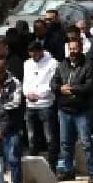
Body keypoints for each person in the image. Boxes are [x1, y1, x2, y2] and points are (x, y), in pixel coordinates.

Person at [52, 36, 93, 183]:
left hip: (81, 110)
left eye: (75, 49)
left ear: (80, 48)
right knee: (65, 143)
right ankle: (68, 170)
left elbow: (90, 85)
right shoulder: (62, 65)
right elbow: (53, 82)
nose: (73, 52)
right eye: (70, 49)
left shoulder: (88, 65)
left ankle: (92, 173)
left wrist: (72, 89)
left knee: (86, 142)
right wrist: (60, 88)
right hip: (65, 110)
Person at [22, 41, 59, 169]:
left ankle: (52, 166)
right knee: (31, 138)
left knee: (49, 137)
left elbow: (52, 83)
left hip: (46, 104)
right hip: (30, 105)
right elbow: (25, 82)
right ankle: (34, 167)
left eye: (35, 53)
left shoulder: (52, 63)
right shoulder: (27, 63)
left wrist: (39, 95)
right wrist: (27, 94)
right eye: (31, 54)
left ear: (41, 51)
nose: (33, 56)